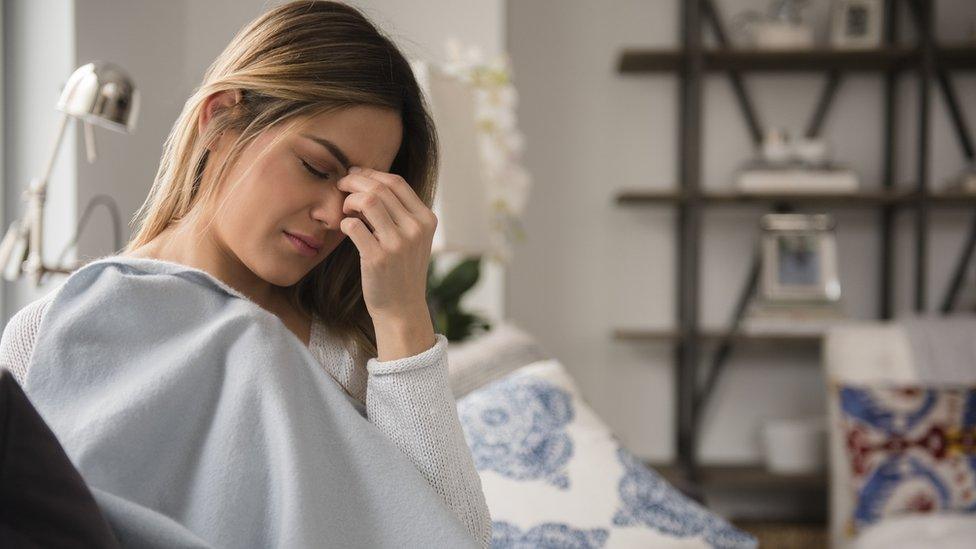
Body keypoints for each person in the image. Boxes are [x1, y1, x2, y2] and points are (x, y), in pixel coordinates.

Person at [0, 1, 491, 546]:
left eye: (357, 194)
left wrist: (403, 315)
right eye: (316, 168)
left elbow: (452, 537)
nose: (333, 215)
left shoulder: (348, 358)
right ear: (220, 119)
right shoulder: (50, 332)